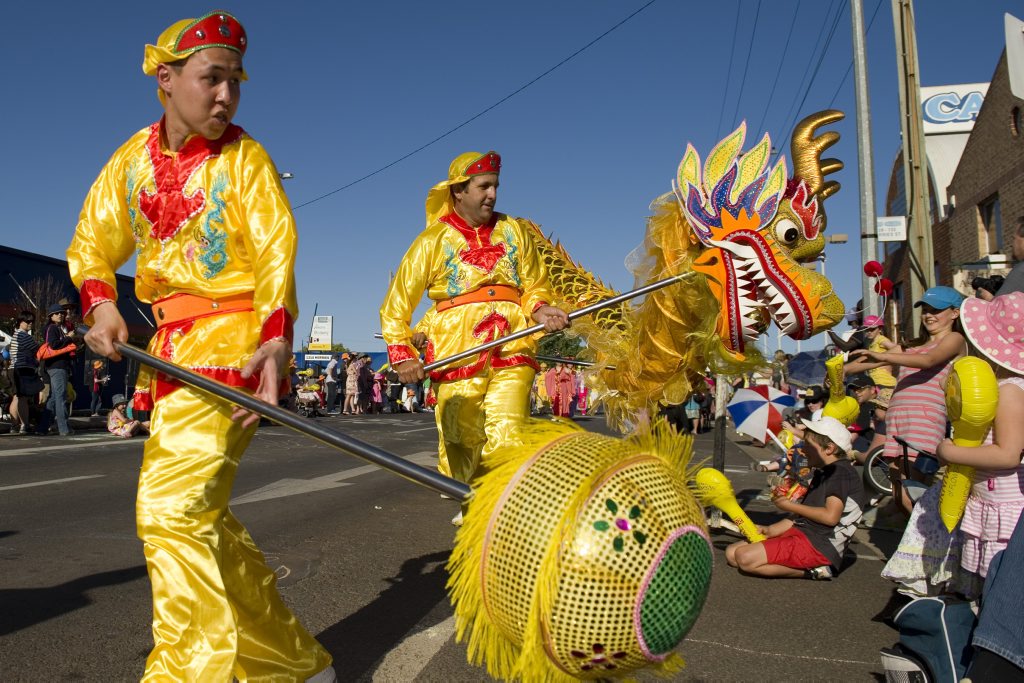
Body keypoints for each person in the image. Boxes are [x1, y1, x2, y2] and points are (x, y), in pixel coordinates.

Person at [66, 12, 333, 682]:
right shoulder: (132, 160)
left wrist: (276, 342)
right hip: (172, 348)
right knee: (200, 516)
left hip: (234, 342)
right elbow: (94, 242)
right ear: (166, 79)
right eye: (212, 78)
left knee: (170, 508)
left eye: (235, 83)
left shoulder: (245, 160)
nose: (226, 96)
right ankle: (290, 661)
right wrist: (102, 305)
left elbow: (276, 249)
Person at [380, 151, 569, 526]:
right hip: (456, 351)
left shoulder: (515, 231)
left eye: (496, 186)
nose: (493, 194)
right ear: (458, 192)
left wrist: (541, 308)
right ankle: (474, 507)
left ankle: (501, 520)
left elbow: (535, 284)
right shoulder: (431, 240)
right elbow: (395, 306)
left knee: (509, 433)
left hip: (513, 344)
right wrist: (403, 355)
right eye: (484, 186)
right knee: (461, 438)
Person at [931, 292, 1024, 599]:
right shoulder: (1000, 387)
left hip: (1004, 506)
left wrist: (950, 452)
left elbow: (1008, 454)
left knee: (999, 588)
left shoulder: (1010, 391)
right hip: (989, 500)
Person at [850, 286, 966, 515]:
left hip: (924, 420)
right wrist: (841, 370)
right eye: (925, 309)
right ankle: (913, 544)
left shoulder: (955, 339)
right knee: (897, 493)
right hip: (897, 420)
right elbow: (865, 362)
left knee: (913, 492)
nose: (928, 315)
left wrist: (882, 355)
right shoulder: (912, 345)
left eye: (937, 309)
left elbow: (929, 360)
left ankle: (927, 545)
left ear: (954, 313)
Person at [725, 416, 866, 580]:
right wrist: (771, 530)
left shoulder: (840, 473)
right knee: (732, 554)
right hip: (805, 533)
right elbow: (804, 515)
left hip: (821, 544)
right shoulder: (824, 470)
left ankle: (817, 571)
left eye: (807, 445)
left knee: (744, 558)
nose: (802, 450)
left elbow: (830, 517)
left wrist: (788, 505)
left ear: (829, 449)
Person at [41, 304, 79, 436]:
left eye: (62, 313)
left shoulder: (56, 328)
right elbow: (54, 345)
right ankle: (64, 429)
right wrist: (68, 338)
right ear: (51, 316)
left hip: (55, 366)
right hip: (57, 366)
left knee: (53, 398)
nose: (60, 315)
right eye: (57, 313)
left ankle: (42, 427)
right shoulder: (52, 328)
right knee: (60, 396)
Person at [8, 310, 42, 435]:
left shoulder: (15, 335)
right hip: (22, 369)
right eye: (27, 321)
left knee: (16, 397)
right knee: (23, 398)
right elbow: (38, 349)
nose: (30, 324)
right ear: (20, 322)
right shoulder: (24, 336)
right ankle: (24, 425)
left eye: (32, 321)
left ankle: (14, 425)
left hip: (13, 369)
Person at [993, 216, 1024, 298]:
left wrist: (988, 299)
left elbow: (1001, 309)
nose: (1011, 245)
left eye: (1014, 239)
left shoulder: (1021, 271)